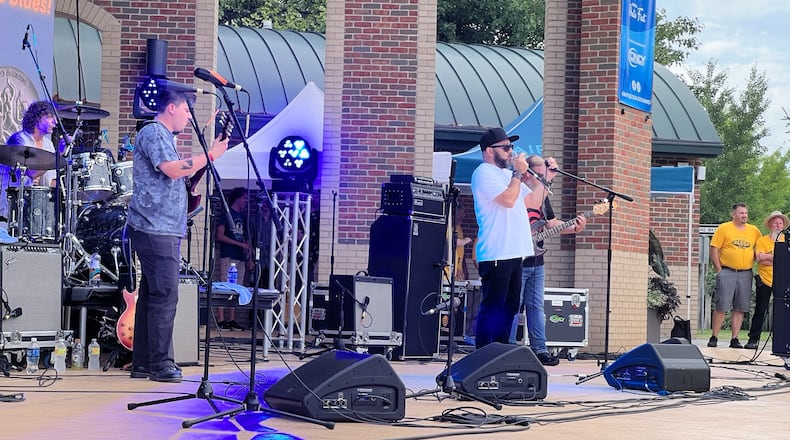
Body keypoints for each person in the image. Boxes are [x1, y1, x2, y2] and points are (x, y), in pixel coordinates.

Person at [126, 90, 229, 382]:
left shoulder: (163, 137)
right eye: (186, 111)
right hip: (155, 226)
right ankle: (161, 364)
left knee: (152, 294)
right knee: (165, 295)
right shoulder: (155, 132)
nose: (188, 117)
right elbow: (171, 170)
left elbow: (173, 178)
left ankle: (144, 362)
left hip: (159, 226)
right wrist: (210, 155)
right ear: (171, 107)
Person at [471, 127, 555, 349]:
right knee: (493, 306)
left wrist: (547, 178)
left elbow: (532, 202)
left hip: (515, 252)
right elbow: (507, 200)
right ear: (490, 151)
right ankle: (484, 353)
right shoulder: (484, 172)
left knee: (510, 308)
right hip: (497, 252)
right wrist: (518, 174)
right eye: (506, 147)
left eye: (511, 147)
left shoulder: (507, 175)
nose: (511, 151)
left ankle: (500, 352)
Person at [509, 155, 587, 366]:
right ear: (528, 172)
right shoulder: (518, 191)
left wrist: (574, 227)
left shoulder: (543, 198)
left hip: (536, 260)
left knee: (536, 306)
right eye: (540, 173)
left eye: (544, 174)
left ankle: (540, 349)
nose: (543, 177)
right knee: (513, 306)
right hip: (516, 259)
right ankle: (508, 348)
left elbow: (551, 224)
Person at [1, 101, 62, 241]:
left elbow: (51, 181)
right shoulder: (19, 139)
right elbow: (31, 173)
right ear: (37, 117)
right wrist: (57, 156)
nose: (55, 121)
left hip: (36, 204)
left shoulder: (48, 144)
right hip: (13, 204)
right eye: (50, 116)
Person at [708, 203, 762, 349]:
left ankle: (735, 339)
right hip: (727, 271)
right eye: (741, 213)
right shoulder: (724, 228)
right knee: (722, 305)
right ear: (733, 215)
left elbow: (759, 249)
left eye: (746, 213)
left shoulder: (754, 231)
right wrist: (719, 270)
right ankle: (714, 336)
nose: (744, 215)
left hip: (745, 273)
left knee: (740, 307)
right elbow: (714, 249)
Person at [745, 210, 788, 349]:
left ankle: (782, 340)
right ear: (769, 225)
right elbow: (760, 259)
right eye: (775, 223)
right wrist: (778, 259)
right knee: (760, 310)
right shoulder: (762, 240)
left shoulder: (787, 241)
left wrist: (769, 257)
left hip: (783, 281)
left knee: (783, 311)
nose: (778, 226)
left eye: (780, 223)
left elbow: (785, 261)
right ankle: (753, 339)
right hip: (764, 280)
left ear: (784, 225)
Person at [215, 187, 250, 331]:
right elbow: (220, 235)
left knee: (237, 287)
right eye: (244, 198)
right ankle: (220, 319)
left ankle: (231, 318)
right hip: (228, 254)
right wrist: (238, 244)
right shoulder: (227, 214)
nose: (246, 201)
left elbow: (245, 237)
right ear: (238, 198)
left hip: (240, 256)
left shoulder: (242, 216)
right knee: (225, 285)